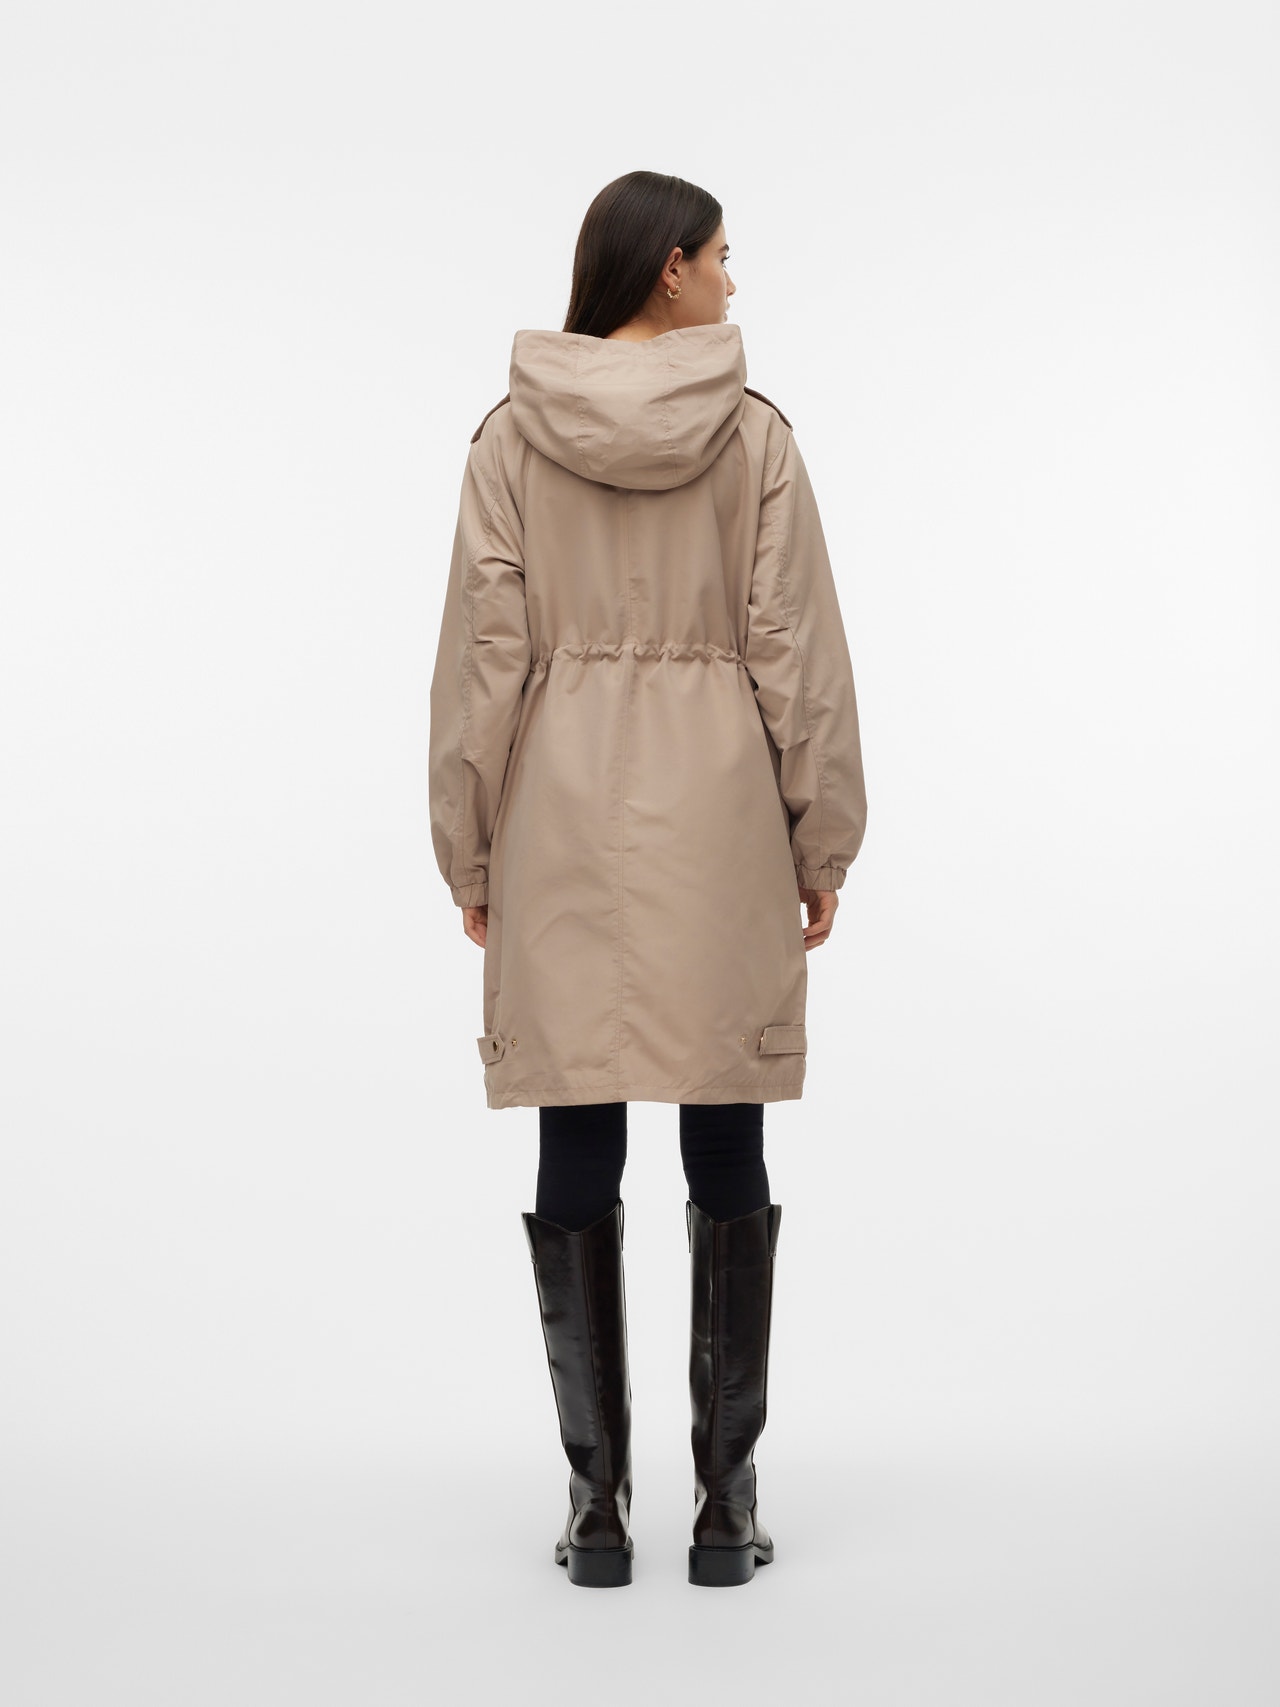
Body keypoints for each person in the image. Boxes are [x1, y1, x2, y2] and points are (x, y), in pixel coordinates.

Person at [428, 171, 868, 1588]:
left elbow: (484, 662)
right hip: (723, 816)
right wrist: (822, 837)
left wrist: (469, 845)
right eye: (724, 257)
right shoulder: (754, 438)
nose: (735, 282)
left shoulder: (511, 438)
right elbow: (797, 652)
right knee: (723, 1131)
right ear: (669, 268)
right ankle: (726, 1513)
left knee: (577, 1129)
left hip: (558, 817)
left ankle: (597, 1511)